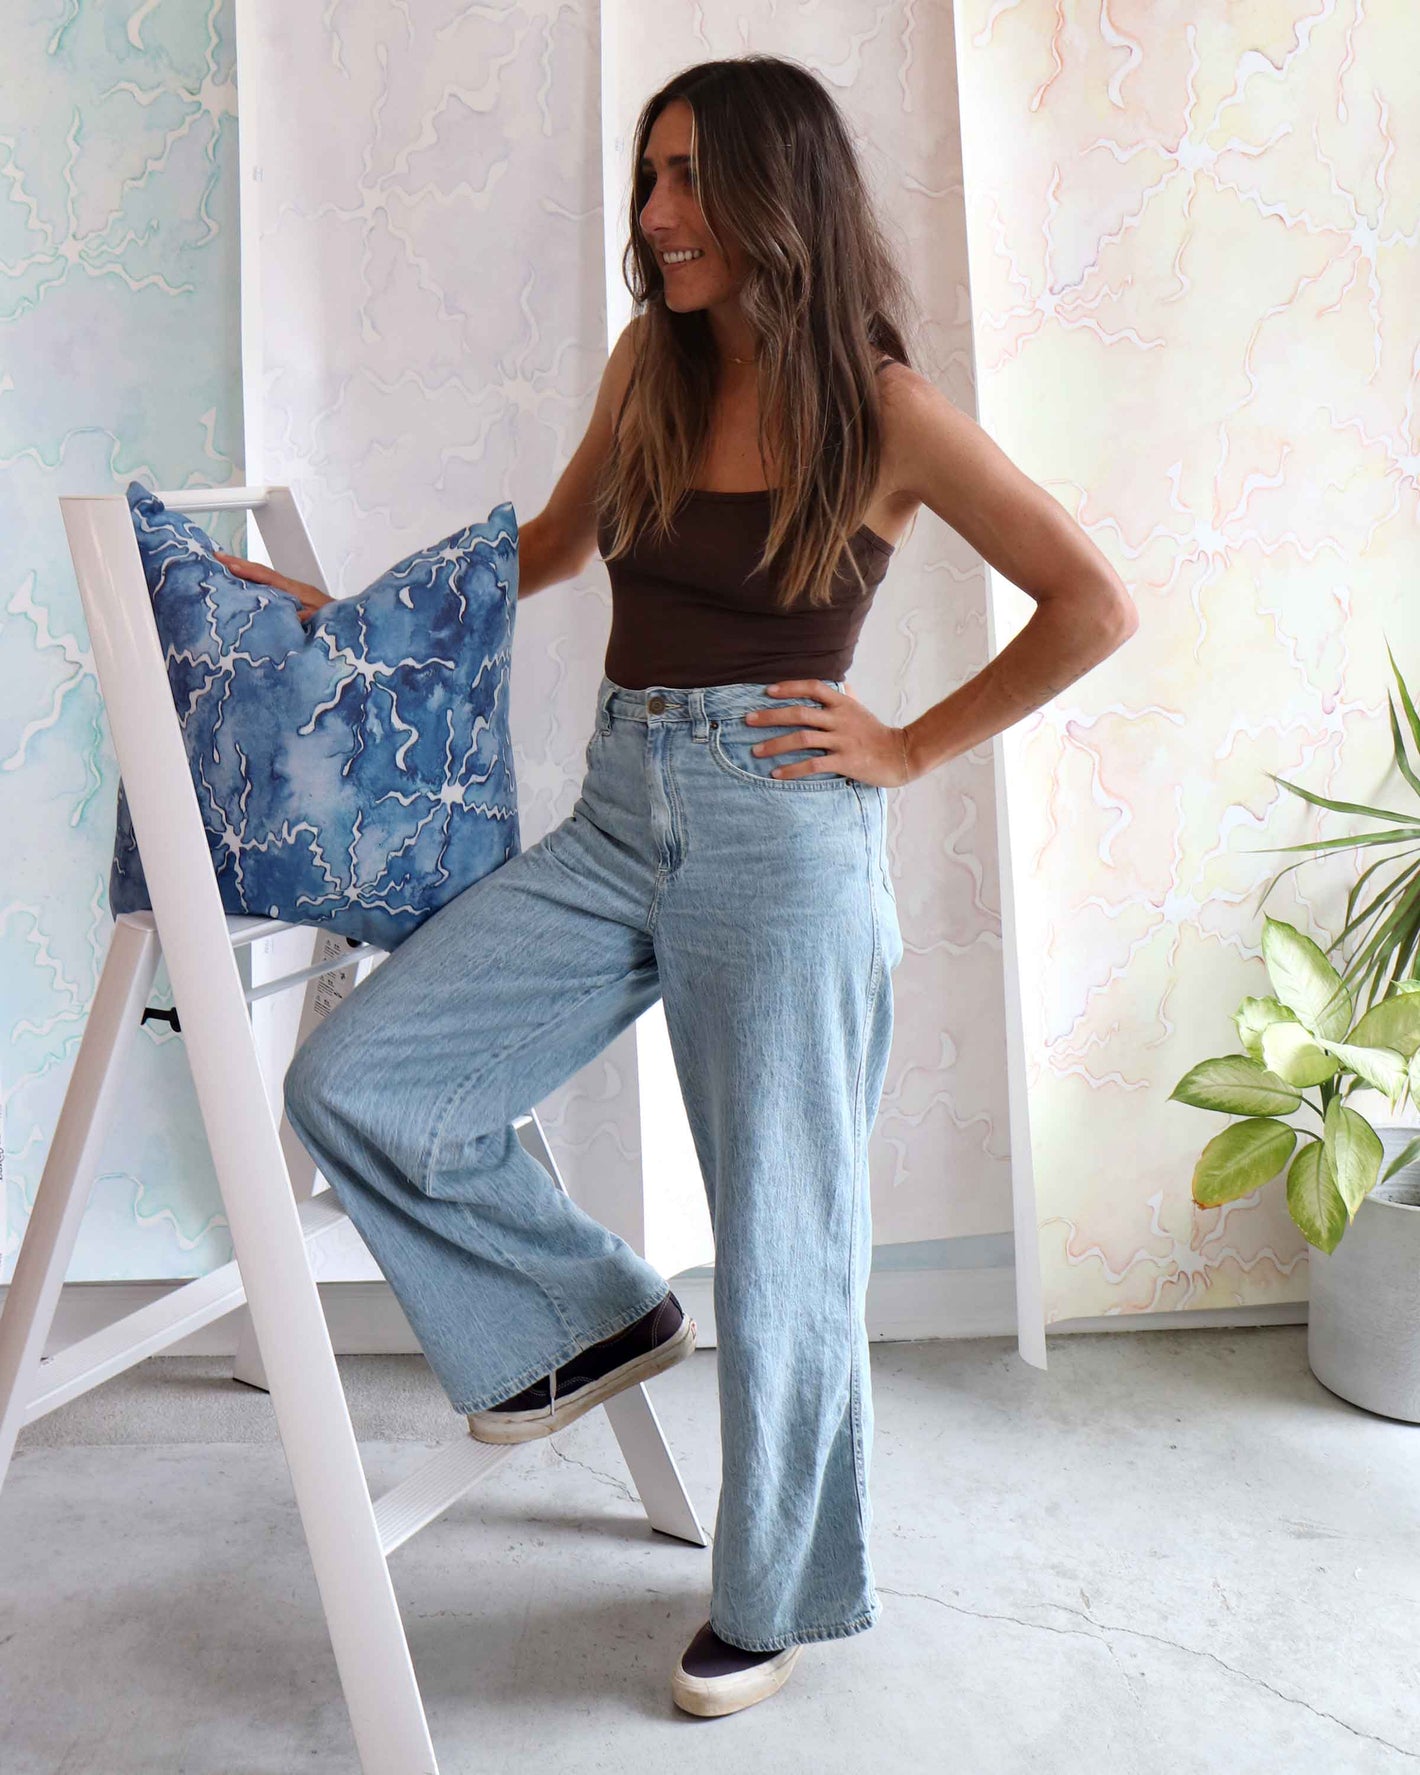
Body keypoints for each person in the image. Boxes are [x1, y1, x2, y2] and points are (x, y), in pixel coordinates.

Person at [218, 55, 1136, 1720]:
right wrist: (348, 612)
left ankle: (775, 1596)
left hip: (786, 836)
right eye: (649, 179)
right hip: (621, 808)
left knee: (789, 1241)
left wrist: (914, 748)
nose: (655, 216)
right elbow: (555, 546)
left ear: (784, 193)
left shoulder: (888, 411)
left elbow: (1091, 602)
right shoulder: (652, 361)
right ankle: (599, 1314)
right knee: (366, 1078)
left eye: (691, 179)